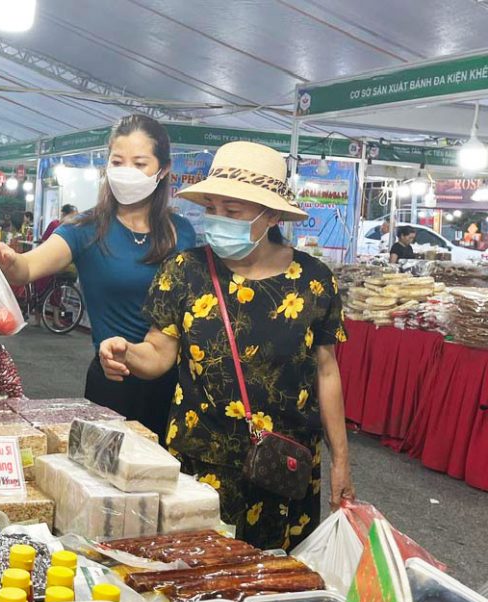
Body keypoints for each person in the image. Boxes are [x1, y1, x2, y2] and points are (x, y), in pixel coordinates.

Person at [99, 141, 354, 550]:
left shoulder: (314, 280)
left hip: (282, 468)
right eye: (212, 208)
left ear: (270, 215)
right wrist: (125, 353)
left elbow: (326, 371)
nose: (218, 219)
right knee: (193, 577)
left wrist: (341, 461)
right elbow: (159, 352)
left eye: (232, 212)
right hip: (200, 467)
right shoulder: (185, 271)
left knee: (276, 583)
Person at [0, 115, 196, 436]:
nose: (127, 171)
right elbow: (27, 268)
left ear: (163, 169)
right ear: (106, 166)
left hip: (175, 385)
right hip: (113, 379)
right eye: (118, 161)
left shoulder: (181, 232)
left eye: (139, 163)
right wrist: (7, 259)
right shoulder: (85, 229)